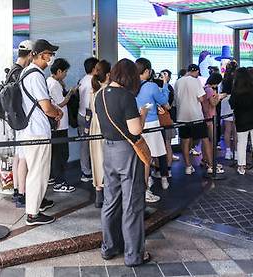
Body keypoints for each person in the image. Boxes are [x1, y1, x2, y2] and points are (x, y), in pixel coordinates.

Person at [95, 58, 151, 267]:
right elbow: (135, 130)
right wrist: (143, 114)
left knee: (110, 200)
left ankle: (109, 247)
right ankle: (134, 255)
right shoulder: (126, 96)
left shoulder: (100, 94)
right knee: (132, 203)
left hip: (108, 151)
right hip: (127, 152)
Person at [19, 39, 63, 225]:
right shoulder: (36, 75)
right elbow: (45, 107)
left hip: (29, 130)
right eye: (49, 54)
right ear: (41, 54)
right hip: (37, 131)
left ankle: (32, 209)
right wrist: (57, 113)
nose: (51, 57)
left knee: (34, 172)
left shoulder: (25, 72)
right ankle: (33, 214)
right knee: (38, 172)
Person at [135, 58, 169, 200]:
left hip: (136, 124)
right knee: (155, 154)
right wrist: (166, 84)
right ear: (147, 71)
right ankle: (160, 181)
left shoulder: (130, 85)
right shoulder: (151, 86)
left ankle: (145, 182)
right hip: (152, 124)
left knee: (141, 157)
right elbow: (163, 100)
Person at [9, 40, 34, 208]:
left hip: (13, 120)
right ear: (31, 54)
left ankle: (17, 190)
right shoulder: (22, 73)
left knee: (18, 156)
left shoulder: (12, 70)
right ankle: (23, 195)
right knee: (23, 158)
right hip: (21, 121)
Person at [47, 58, 76, 193]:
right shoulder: (55, 84)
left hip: (53, 124)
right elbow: (62, 103)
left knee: (55, 153)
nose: (65, 74)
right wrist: (70, 92)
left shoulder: (49, 81)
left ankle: (53, 177)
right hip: (60, 124)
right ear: (58, 71)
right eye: (64, 72)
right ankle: (60, 182)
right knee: (62, 154)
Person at [230, 67, 253, 177]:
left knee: (241, 143)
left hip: (241, 120)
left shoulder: (236, 88)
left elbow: (232, 103)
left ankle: (241, 167)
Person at [174, 64, 208, 175]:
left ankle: (188, 166)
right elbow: (201, 98)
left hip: (182, 116)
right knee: (205, 139)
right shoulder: (195, 81)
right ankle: (211, 166)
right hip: (196, 116)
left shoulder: (178, 82)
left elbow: (176, 99)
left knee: (185, 141)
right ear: (196, 71)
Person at [89, 60, 111, 208]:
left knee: (96, 159)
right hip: (106, 128)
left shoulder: (94, 91)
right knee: (109, 160)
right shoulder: (109, 92)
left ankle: (98, 194)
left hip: (94, 128)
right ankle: (110, 194)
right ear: (109, 74)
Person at [78, 57, 99, 183]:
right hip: (90, 116)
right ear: (93, 69)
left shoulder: (82, 80)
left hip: (81, 114)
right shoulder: (94, 81)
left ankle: (85, 172)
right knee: (95, 144)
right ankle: (96, 172)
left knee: (84, 145)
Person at [202, 73, 224, 174]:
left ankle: (205, 160)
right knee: (211, 141)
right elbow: (213, 103)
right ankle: (211, 163)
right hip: (210, 118)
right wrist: (219, 97)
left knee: (206, 140)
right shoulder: (210, 90)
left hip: (206, 117)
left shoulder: (205, 88)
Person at [219, 61, 238, 161]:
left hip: (225, 101)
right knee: (235, 129)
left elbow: (221, 92)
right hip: (235, 101)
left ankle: (227, 151)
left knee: (227, 129)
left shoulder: (224, 79)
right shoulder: (237, 79)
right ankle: (236, 152)